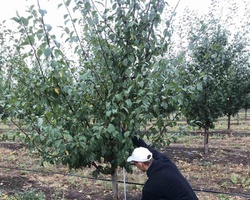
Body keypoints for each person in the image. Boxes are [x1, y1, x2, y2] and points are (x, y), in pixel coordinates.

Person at [127, 136, 198, 200]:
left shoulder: (151, 186)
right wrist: (130, 135)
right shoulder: (165, 161)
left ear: (140, 164)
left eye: (135, 163)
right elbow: (147, 148)